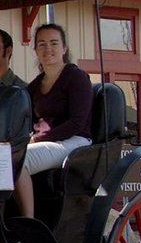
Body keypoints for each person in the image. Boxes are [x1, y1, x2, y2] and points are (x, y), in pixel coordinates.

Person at [13, 22, 93, 217]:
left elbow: (77, 123)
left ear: (64, 49)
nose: (48, 48)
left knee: (16, 161)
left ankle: (28, 222)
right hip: (45, 141)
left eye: (54, 43)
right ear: (35, 50)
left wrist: (37, 139)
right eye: (42, 44)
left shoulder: (77, 78)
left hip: (76, 141)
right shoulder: (34, 86)